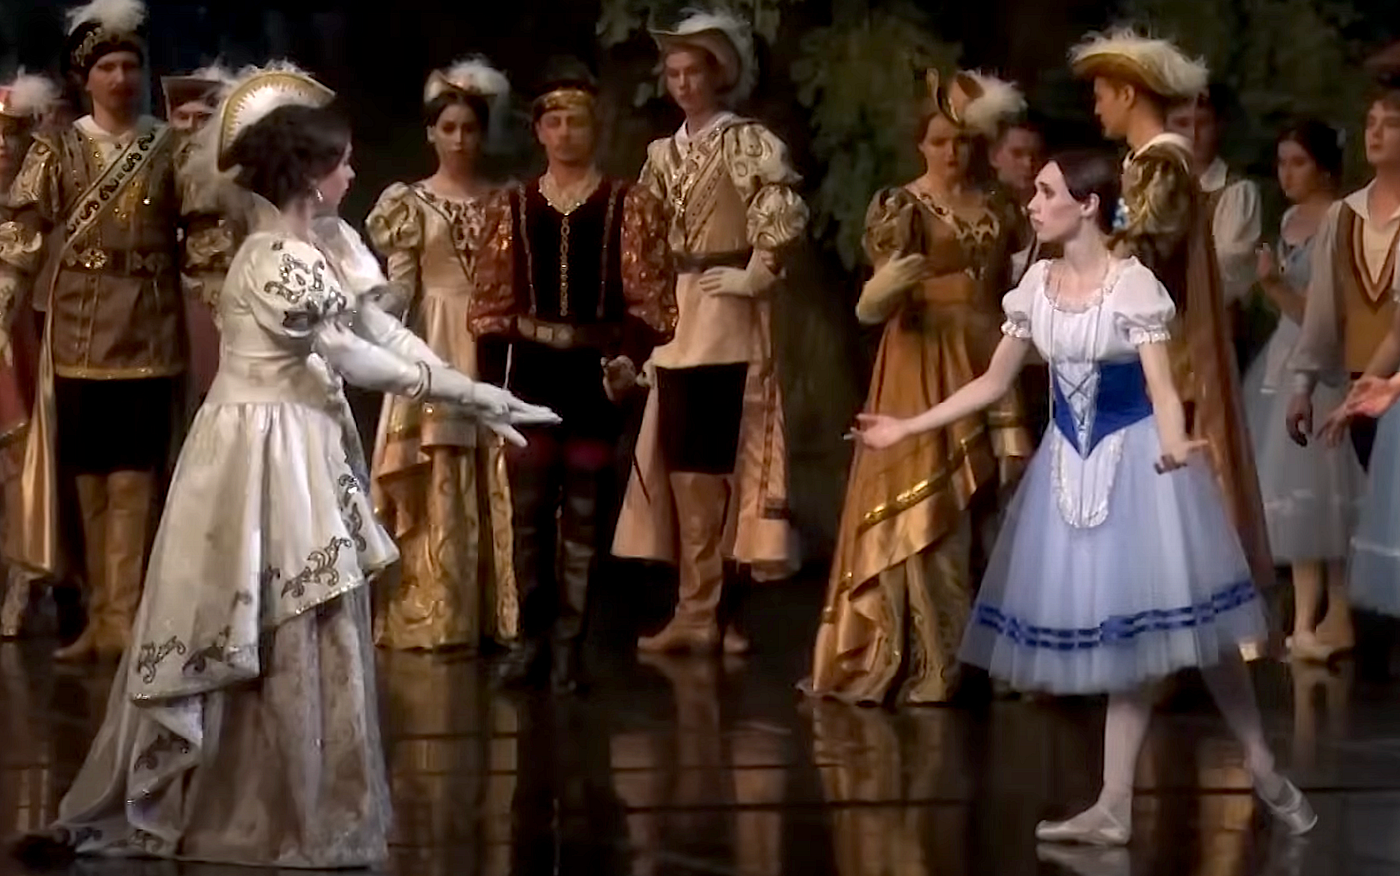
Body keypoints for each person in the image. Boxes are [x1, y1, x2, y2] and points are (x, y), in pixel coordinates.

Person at [11, 62, 555, 868]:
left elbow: (378, 329)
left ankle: (301, 800)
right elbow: (349, 354)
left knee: (308, 621)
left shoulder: (328, 241)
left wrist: (470, 387)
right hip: (259, 444)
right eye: (341, 162)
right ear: (306, 172)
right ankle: (247, 804)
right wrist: (463, 394)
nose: (353, 173)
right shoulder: (270, 257)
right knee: (260, 616)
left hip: (305, 437)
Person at [854, 150, 1315, 845]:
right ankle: (1118, 804)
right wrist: (906, 427)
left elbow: (1163, 386)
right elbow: (992, 383)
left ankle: (1259, 763)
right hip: (1070, 468)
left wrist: (1174, 440)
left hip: (1140, 469)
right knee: (1133, 639)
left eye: (1047, 193)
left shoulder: (1133, 287)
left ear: (1088, 204)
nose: (1033, 204)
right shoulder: (1037, 286)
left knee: (1203, 628)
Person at [802, 70, 1031, 706]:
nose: (952, 153)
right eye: (938, 141)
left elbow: (1020, 276)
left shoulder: (1002, 206)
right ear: (919, 144)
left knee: (997, 503)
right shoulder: (901, 207)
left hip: (991, 351)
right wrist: (883, 291)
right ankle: (937, 660)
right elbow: (874, 299)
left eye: (962, 141)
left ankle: (1000, 658)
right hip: (923, 358)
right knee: (934, 506)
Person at [472, 63, 675, 691]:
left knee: (586, 514)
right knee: (529, 513)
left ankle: (569, 647)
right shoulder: (513, 206)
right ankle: (531, 640)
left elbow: (650, 300)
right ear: (538, 131)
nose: (564, 132)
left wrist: (629, 358)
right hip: (532, 373)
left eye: (576, 121)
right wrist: (490, 389)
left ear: (594, 129)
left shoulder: (626, 203)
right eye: (554, 121)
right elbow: (491, 307)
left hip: (594, 375)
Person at [613, 9, 807, 654]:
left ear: (717, 74)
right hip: (680, 313)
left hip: (726, 314)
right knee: (686, 458)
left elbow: (778, 206)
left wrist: (757, 271)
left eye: (693, 71)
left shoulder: (743, 140)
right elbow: (644, 237)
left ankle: (722, 610)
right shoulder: (661, 154)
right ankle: (698, 607)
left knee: (730, 456)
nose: (683, 84)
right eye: (673, 73)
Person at [0, 0, 187, 661]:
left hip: (151, 331)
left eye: (130, 65)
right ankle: (100, 615)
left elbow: (205, 233)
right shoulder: (57, 149)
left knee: (136, 475)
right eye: (107, 66)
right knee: (88, 477)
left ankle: (125, 618)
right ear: (84, 77)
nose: (120, 78)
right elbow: (21, 234)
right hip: (78, 331)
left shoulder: (169, 148)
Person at [1070, 28, 1273, 592]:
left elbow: (1141, 255)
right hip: (1148, 342)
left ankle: (1184, 600)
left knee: (1170, 484)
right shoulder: (1145, 162)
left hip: (1171, 345)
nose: (1096, 108)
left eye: (1102, 95)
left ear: (1128, 94)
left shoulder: (1161, 163)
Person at [366, 58, 516, 652]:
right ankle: (434, 612)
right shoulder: (409, 203)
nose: (458, 140)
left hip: (493, 341)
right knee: (436, 466)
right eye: (448, 128)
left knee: (493, 466)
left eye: (468, 129)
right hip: (435, 337)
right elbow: (403, 283)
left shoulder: (505, 201)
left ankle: (493, 613)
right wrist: (374, 305)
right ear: (430, 133)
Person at [1245, 121, 1362, 662]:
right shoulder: (1289, 221)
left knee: (1323, 492)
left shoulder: (1341, 220)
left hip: (1322, 364)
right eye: (1281, 162)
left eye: (1297, 162)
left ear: (1324, 168)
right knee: (1296, 496)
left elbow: (1322, 316)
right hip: (1283, 358)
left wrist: (1273, 285)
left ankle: (1330, 615)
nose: (1286, 174)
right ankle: (1311, 617)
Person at [1288, 62, 1400, 471]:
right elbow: (1323, 307)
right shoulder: (1344, 215)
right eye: (1371, 123)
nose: (1376, 133)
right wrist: (1303, 386)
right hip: (1359, 382)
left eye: (1391, 124)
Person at [0, 72, 60, 640]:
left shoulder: (28, 211)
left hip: (12, 342)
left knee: (18, 467)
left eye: (12, 133)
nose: (2, 145)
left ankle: (22, 585)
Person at [166, 64, 233, 406]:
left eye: (202, 118)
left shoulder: (236, 171)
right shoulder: (161, 167)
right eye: (183, 117)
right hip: (177, 288)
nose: (192, 127)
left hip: (230, 283)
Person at [1166, 84, 1262, 309]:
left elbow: (1230, 267)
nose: (1193, 135)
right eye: (1182, 124)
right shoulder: (1156, 186)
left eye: (1203, 123)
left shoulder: (1236, 192)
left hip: (1211, 316)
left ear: (1218, 126)